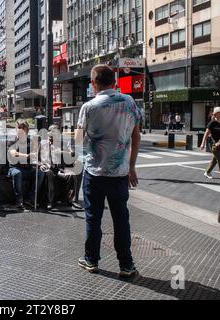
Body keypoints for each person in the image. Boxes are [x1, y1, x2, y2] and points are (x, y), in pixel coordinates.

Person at [75, 64, 142, 278]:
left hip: (94, 173)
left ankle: (91, 260)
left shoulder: (89, 107)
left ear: (94, 83)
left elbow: (77, 140)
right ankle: (126, 265)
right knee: (121, 219)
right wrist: (131, 167)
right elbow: (136, 136)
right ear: (114, 82)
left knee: (93, 218)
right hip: (120, 173)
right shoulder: (129, 102)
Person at [8, 120, 45, 210]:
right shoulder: (12, 141)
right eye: (19, 127)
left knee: (40, 173)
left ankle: (30, 198)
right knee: (17, 173)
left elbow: (35, 156)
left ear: (27, 130)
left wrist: (39, 164)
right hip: (15, 168)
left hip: (28, 168)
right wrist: (27, 155)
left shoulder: (31, 142)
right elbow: (13, 153)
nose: (20, 130)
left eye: (23, 128)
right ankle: (19, 200)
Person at [40, 125, 78, 210]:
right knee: (49, 174)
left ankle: (71, 201)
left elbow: (73, 153)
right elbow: (35, 157)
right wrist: (40, 165)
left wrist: (62, 152)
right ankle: (50, 201)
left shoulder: (63, 143)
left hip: (60, 169)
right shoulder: (43, 143)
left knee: (72, 175)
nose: (51, 139)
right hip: (48, 168)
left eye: (53, 137)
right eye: (50, 137)